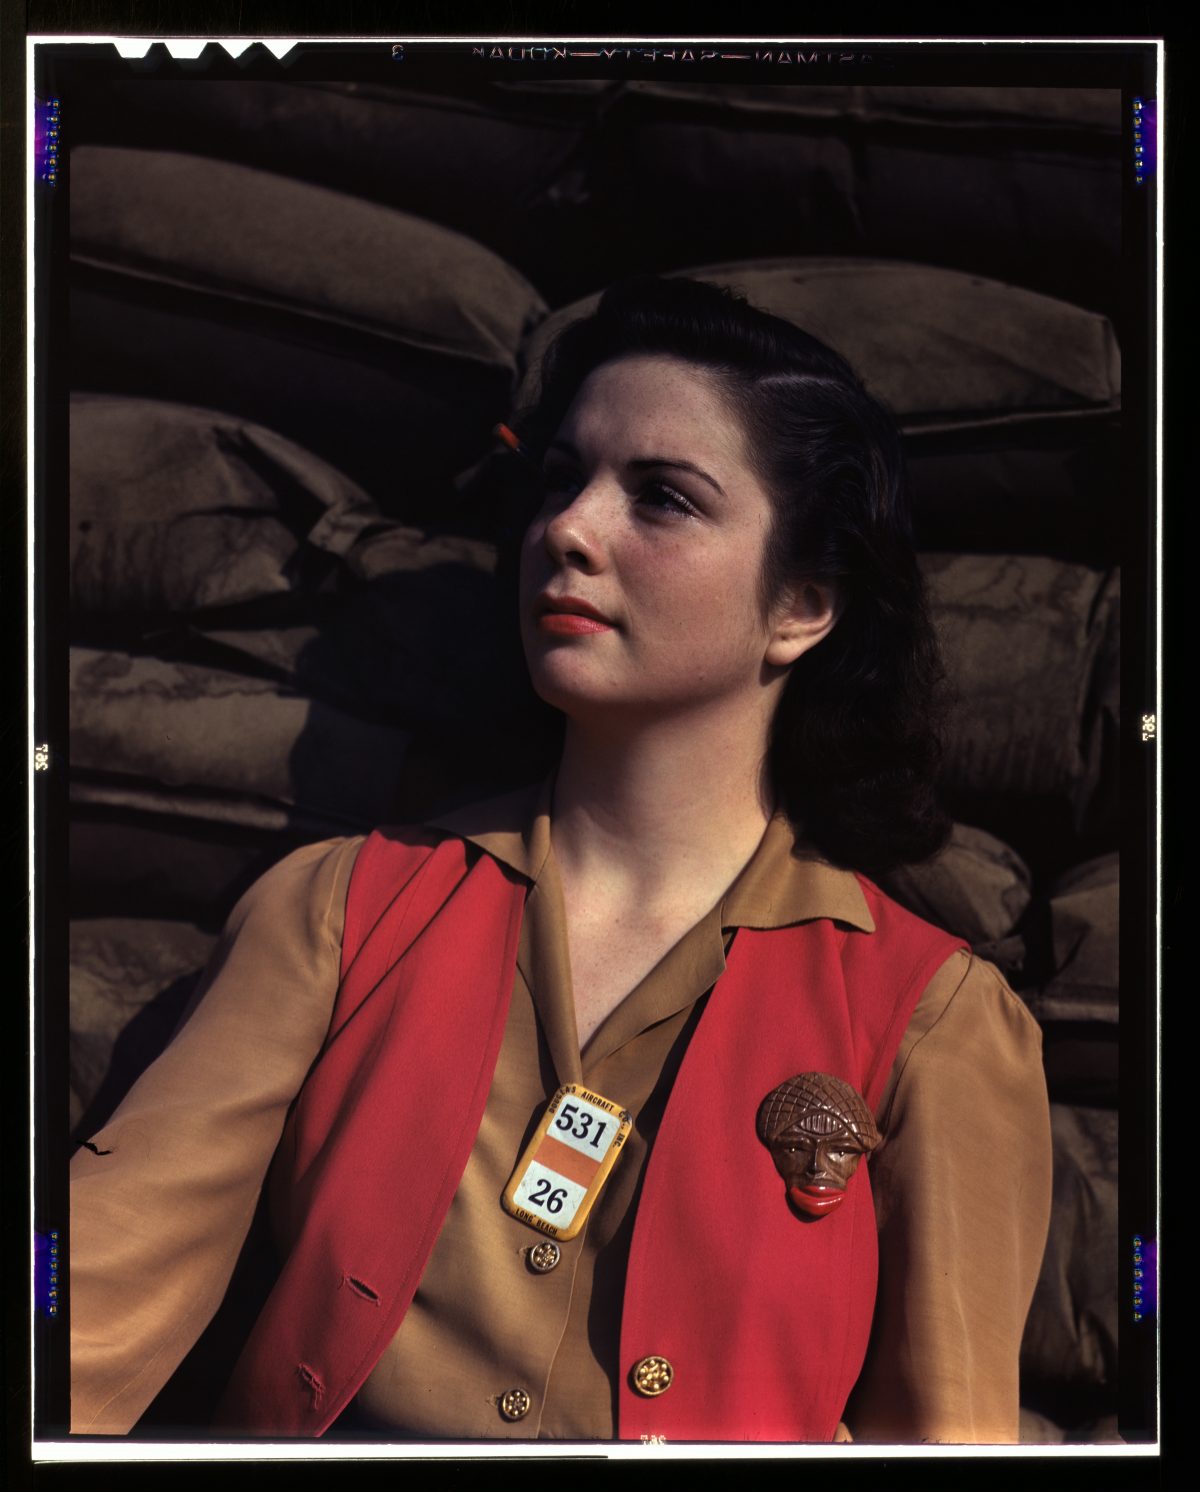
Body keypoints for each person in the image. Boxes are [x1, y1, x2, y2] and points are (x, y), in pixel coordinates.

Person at [70, 276, 1052, 1445]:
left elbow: (952, 1436)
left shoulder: (933, 1022)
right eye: (559, 481)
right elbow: (93, 1311)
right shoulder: (344, 910)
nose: (569, 531)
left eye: (664, 499)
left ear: (800, 606)